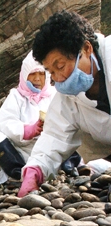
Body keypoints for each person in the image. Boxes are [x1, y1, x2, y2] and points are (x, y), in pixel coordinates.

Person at [18, 10, 111, 197]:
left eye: (60, 66)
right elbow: (54, 135)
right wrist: (35, 169)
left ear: (86, 49)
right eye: (51, 72)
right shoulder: (68, 95)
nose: (58, 78)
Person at [0, 50, 57, 186]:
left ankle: (68, 167)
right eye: (32, 74)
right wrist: (27, 130)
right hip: (19, 152)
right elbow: (5, 122)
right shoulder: (16, 96)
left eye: (41, 74)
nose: (37, 79)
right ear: (25, 75)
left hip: (48, 152)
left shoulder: (55, 95)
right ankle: (20, 172)